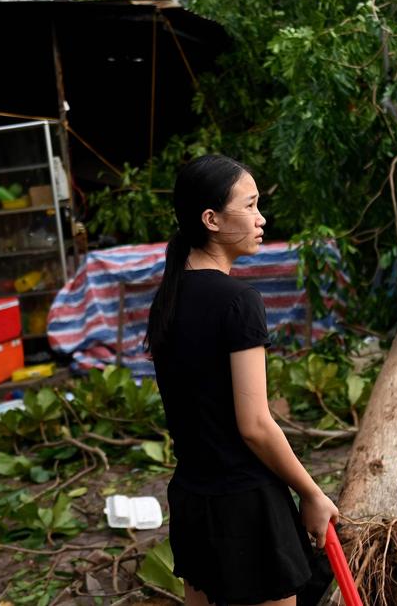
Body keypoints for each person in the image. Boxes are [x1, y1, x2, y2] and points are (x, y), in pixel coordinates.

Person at [147, 154, 339, 605]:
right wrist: (311, 493)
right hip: (246, 507)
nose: (261, 218)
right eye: (250, 206)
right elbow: (254, 424)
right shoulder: (238, 302)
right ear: (211, 219)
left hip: (193, 499)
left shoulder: (167, 299)